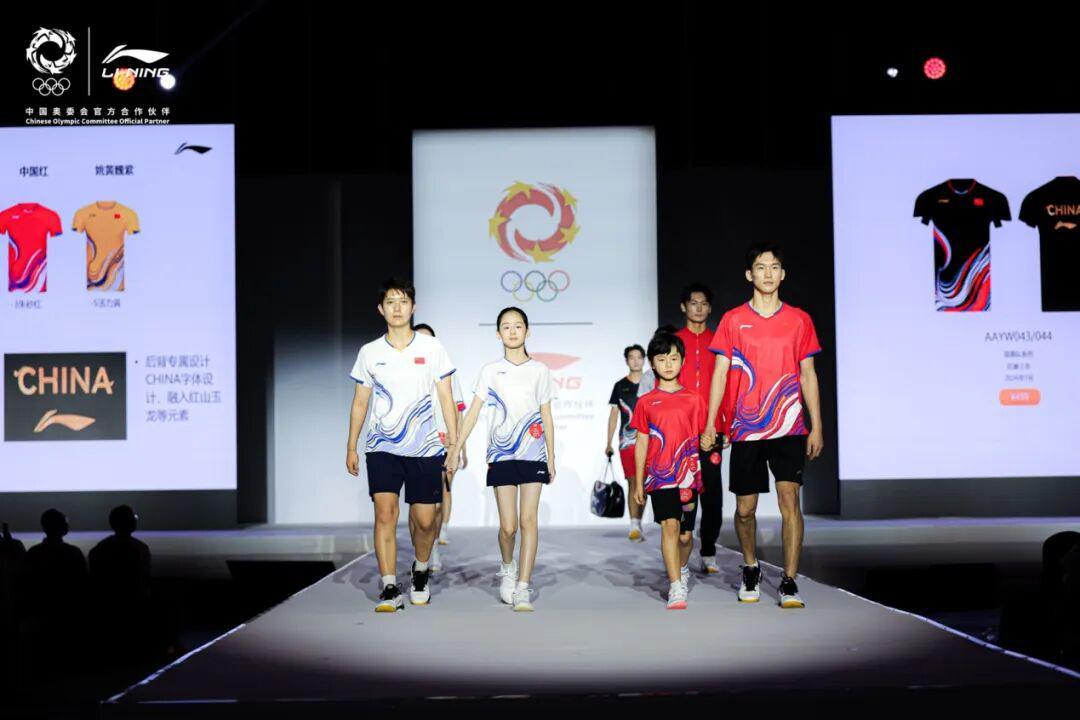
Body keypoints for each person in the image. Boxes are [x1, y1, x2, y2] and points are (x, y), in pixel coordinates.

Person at [702, 244, 823, 608]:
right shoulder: (733, 320)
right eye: (760, 267)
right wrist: (711, 423)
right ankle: (751, 566)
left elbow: (808, 374)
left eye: (774, 267)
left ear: (782, 274)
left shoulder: (799, 320)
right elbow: (720, 374)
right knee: (744, 510)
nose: (768, 274)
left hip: (789, 425)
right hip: (746, 428)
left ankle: (789, 581)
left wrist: (816, 425)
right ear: (749, 274)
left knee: (790, 502)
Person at [346, 279, 460, 612]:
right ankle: (389, 586)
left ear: (413, 307)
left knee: (425, 521)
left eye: (403, 301)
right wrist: (351, 446)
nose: (397, 308)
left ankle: (420, 569)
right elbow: (360, 403)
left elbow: (446, 398)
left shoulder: (432, 348)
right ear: (381, 309)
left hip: (425, 446)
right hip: (381, 445)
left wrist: (454, 445)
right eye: (390, 302)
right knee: (385, 513)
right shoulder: (369, 352)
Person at [446, 307, 556, 611]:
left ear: (527, 331)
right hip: (501, 454)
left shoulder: (540, 371)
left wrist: (551, 456)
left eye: (518, 326)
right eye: (506, 327)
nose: (512, 331)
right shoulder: (490, 371)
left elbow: (547, 415)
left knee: (528, 520)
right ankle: (508, 566)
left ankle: (523, 586)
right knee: (508, 527)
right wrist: (455, 448)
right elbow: (473, 413)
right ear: (498, 334)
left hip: (533, 452)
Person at [630, 333, 706, 610]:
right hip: (659, 476)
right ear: (652, 364)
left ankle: (681, 568)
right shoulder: (646, 402)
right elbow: (641, 442)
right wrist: (639, 482)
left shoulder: (694, 398)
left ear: (682, 361)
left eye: (674, 358)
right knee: (670, 526)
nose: (668, 364)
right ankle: (675, 585)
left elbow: (704, 436)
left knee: (685, 536)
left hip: (688, 476)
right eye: (662, 359)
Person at [675, 283, 725, 574]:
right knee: (683, 492)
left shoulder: (718, 342)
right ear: (684, 307)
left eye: (703, 303)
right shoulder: (674, 343)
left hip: (711, 431)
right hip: (680, 431)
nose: (698, 308)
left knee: (712, 493)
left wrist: (724, 425)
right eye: (693, 303)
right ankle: (681, 547)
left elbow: (727, 385)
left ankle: (708, 548)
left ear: (709, 308)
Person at [411, 323, 467, 569]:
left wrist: (458, 445)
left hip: (442, 443)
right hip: (412, 446)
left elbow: (457, 409)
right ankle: (420, 553)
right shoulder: (405, 371)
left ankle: (434, 543)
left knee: (441, 495)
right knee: (417, 504)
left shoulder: (447, 372)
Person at [605, 343, 646, 540]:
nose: (636, 361)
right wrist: (608, 442)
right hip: (627, 442)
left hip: (650, 440)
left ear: (644, 360)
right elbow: (614, 415)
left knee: (643, 483)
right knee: (632, 481)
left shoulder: (652, 383)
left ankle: (639, 521)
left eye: (639, 357)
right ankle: (634, 525)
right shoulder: (620, 386)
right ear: (627, 361)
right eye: (632, 357)